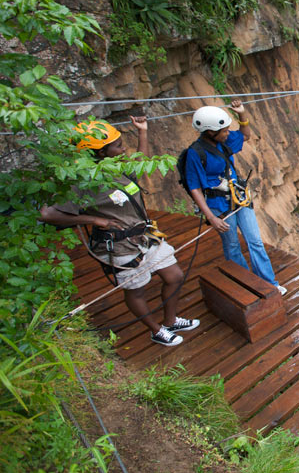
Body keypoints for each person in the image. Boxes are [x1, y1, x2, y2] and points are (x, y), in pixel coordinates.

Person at [40, 118, 199, 347]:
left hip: (144, 237)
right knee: (136, 291)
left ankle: (171, 320)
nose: (123, 149)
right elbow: (47, 214)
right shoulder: (84, 182)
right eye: (118, 145)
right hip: (118, 245)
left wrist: (142, 132)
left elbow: (142, 163)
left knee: (174, 276)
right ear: (100, 152)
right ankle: (156, 331)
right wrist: (95, 219)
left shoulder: (118, 168)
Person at [184, 101, 284, 294]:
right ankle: (246, 283)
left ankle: (269, 284)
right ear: (209, 132)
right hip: (217, 204)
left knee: (254, 240)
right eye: (224, 130)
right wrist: (211, 217)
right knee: (231, 245)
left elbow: (246, 135)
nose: (228, 133)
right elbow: (194, 187)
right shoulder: (195, 154)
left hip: (238, 198)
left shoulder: (224, 141)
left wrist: (242, 114)